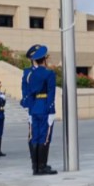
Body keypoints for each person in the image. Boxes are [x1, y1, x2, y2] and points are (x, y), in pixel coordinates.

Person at [26, 45, 58, 175]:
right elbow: (51, 92)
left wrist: (31, 109)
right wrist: (51, 109)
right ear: (44, 59)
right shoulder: (49, 73)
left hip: (35, 107)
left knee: (35, 137)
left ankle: (35, 167)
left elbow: (30, 93)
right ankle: (42, 166)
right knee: (45, 137)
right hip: (45, 106)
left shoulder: (31, 74)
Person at [21, 44, 42, 172]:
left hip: (44, 106)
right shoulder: (28, 72)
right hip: (34, 106)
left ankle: (41, 161)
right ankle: (35, 162)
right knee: (34, 133)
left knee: (43, 134)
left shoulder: (45, 71)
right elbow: (25, 90)